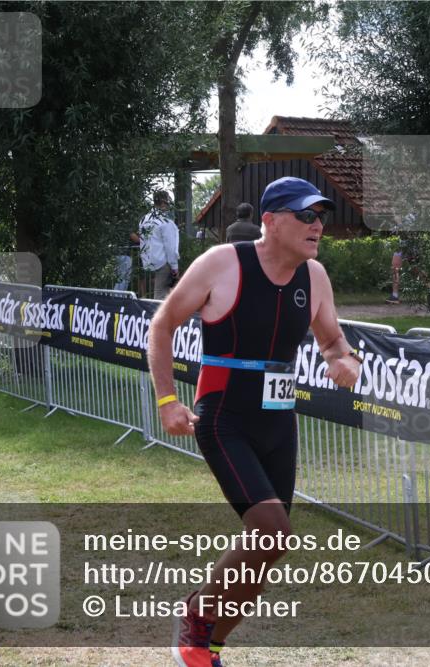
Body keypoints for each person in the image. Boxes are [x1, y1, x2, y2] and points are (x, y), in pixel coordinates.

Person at [148, 176, 361, 667]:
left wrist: (343, 360)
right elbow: (162, 324)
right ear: (270, 221)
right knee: (272, 529)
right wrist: (166, 400)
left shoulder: (315, 277)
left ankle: (210, 647)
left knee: (269, 547)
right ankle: (196, 616)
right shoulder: (223, 264)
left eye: (320, 216)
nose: (317, 225)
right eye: (305, 215)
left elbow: (332, 341)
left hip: (279, 423)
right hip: (224, 417)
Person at [139, 190, 180, 299]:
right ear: (164, 202)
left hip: (147, 262)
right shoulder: (166, 222)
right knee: (160, 296)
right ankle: (157, 315)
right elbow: (171, 247)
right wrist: (174, 268)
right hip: (162, 262)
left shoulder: (144, 219)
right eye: (167, 202)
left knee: (147, 295)